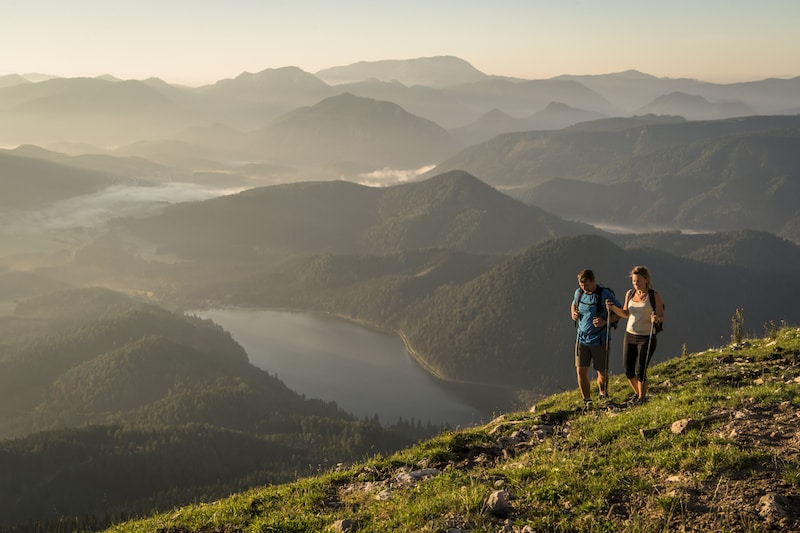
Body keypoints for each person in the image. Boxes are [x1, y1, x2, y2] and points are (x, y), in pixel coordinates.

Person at [606, 265, 665, 404]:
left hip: (647, 337)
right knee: (628, 370)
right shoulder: (630, 294)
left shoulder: (653, 295)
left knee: (641, 370)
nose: (635, 284)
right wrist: (613, 308)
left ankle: (641, 399)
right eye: (633, 281)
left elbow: (662, 316)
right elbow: (626, 313)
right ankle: (639, 395)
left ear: (646, 280)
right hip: (630, 335)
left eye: (638, 281)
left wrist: (656, 319)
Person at [570, 269, 622, 407]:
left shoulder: (604, 294)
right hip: (581, 339)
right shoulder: (579, 293)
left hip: (600, 340)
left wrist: (605, 322)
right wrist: (573, 313)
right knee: (580, 371)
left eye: (586, 285)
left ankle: (602, 395)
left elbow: (621, 312)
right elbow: (574, 304)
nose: (584, 288)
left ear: (593, 281)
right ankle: (587, 400)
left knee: (602, 372)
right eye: (581, 285)